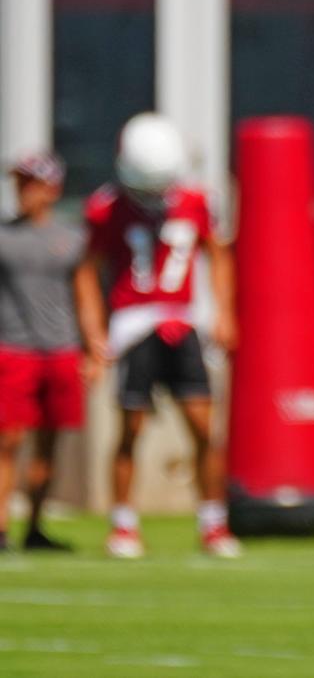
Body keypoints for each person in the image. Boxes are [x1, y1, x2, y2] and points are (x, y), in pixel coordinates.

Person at [76, 113, 240, 559]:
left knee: (205, 427)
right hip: (133, 324)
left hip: (184, 320)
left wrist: (224, 313)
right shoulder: (105, 206)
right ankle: (124, 524)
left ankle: (213, 523)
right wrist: (94, 332)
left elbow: (218, 256)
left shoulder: (196, 201)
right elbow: (87, 271)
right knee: (130, 427)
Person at [0, 152, 88, 552]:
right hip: (13, 349)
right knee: (8, 441)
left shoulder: (70, 238)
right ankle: (1, 527)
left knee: (49, 443)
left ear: (52, 188)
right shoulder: (4, 236)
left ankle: (34, 527)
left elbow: (85, 296)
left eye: (30, 183)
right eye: (19, 183)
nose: (23, 192)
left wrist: (96, 345)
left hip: (61, 350)